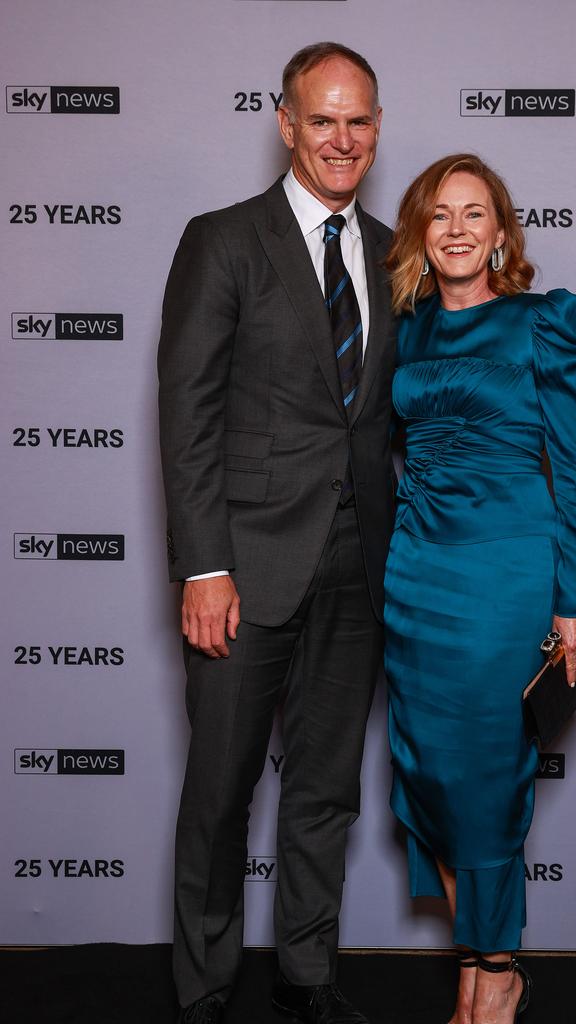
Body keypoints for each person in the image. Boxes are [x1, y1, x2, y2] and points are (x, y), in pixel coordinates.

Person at [157, 42, 396, 1024]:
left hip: (357, 565)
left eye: (361, 120)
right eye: (324, 119)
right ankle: (206, 984)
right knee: (219, 791)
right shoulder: (223, 240)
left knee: (325, 792)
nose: (344, 139)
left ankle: (307, 973)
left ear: (376, 127)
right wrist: (204, 565)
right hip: (246, 568)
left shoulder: (394, 249)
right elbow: (188, 410)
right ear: (287, 122)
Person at [383, 154, 576, 1024]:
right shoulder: (406, 330)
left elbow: (574, 474)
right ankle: (475, 963)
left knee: (485, 778)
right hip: (415, 575)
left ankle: (499, 971)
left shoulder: (538, 325)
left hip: (505, 573)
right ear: (421, 236)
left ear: (502, 233)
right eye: (440, 215)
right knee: (430, 777)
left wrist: (574, 600)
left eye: (476, 214)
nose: (459, 229)